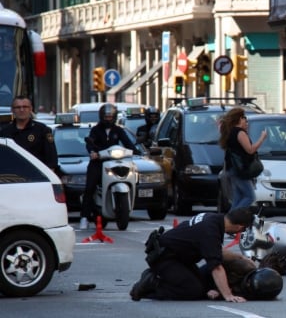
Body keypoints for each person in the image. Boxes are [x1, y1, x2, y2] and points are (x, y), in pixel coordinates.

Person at [129, 208, 257, 301]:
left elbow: (216, 251)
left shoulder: (213, 219)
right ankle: (151, 284)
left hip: (179, 258)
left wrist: (240, 257)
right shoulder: (210, 231)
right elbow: (216, 267)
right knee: (192, 291)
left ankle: (161, 279)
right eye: (244, 229)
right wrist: (228, 295)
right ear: (239, 227)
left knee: (202, 288)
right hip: (165, 258)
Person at [80, 103, 141, 230]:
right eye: (106, 116)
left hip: (114, 161)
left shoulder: (119, 130)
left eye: (110, 116)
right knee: (90, 187)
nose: (108, 119)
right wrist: (92, 152)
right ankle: (84, 217)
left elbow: (127, 143)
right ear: (101, 117)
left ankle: (124, 208)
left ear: (114, 117)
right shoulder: (95, 130)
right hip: (98, 162)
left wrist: (136, 151)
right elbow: (90, 142)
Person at [219, 107, 267, 210]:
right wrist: (262, 139)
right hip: (240, 170)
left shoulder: (231, 132)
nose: (246, 121)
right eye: (244, 118)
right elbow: (250, 150)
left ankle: (228, 222)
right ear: (240, 119)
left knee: (238, 198)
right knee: (250, 197)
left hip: (233, 169)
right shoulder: (240, 133)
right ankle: (230, 220)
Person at [0, 95, 57, 170]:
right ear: (12, 110)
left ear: (31, 109)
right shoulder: (4, 132)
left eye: (25, 107)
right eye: (18, 107)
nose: (22, 110)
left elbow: (51, 159)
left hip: (36, 177)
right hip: (12, 176)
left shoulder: (42, 130)